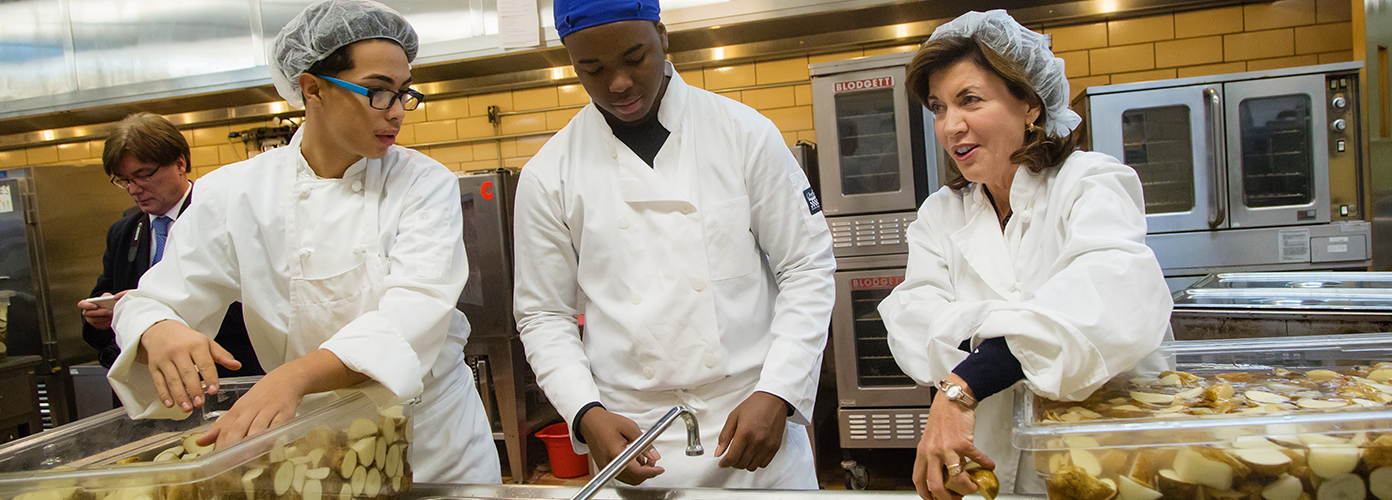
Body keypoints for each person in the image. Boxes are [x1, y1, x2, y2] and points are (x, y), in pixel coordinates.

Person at [105, 0, 500, 484]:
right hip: (314, 447)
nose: (396, 112)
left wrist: (293, 378)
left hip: (435, 439)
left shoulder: (423, 183)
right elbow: (151, 300)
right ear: (312, 89)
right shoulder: (234, 192)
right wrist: (159, 328)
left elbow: (413, 314)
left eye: (403, 93)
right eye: (377, 92)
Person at [511, 0, 835, 489]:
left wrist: (780, 391)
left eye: (634, 57)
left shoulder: (743, 134)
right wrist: (585, 413)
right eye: (592, 69)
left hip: (753, 419)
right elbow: (542, 314)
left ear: (663, 37)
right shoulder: (549, 174)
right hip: (632, 435)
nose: (618, 83)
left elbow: (806, 267)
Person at [877, 10, 1173, 498]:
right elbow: (914, 327)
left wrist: (964, 381)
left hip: (1107, 458)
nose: (952, 126)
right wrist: (1035, 324)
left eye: (970, 100)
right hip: (985, 460)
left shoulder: (1090, 183)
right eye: (938, 107)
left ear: (1030, 105)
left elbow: (1108, 303)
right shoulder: (939, 215)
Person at [78, 113, 263, 382]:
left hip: (229, 377)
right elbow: (102, 306)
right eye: (124, 180)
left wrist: (162, 304)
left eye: (143, 176)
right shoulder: (124, 232)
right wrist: (107, 316)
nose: (134, 189)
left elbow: (257, 301)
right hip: (157, 385)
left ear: (180, 163)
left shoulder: (226, 217)